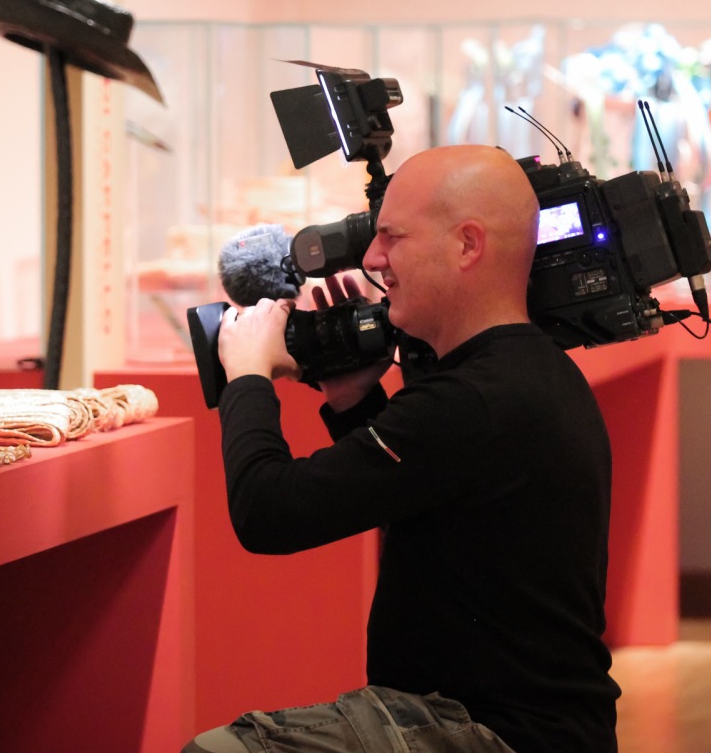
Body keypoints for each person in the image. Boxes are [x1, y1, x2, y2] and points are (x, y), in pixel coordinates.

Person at [186, 144, 620, 753]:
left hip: (488, 732)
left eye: (391, 237)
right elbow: (423, 495)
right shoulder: (522, 372)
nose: (370, 258)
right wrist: (352, 403)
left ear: (467, 245)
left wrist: (249, 377)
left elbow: (268, 512)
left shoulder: (473, 400)